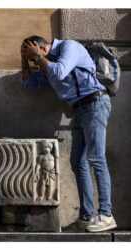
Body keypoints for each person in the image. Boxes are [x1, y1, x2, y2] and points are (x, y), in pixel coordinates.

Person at [20, 35, 117, 232]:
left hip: (95, 103)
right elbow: (32, 84)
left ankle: (106, 214)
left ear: (41, 47)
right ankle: (86, 217)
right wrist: (25, 60)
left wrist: (38, 58)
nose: (31, 56)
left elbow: (61, 72)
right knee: (77, 162)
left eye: (30, 51)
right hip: (80, 110)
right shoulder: (48, 62)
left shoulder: (68, 47)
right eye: (26, 53)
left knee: (96, 159)